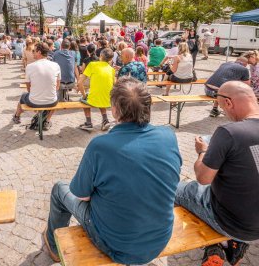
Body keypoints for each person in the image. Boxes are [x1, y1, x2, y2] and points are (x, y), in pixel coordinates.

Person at [44, 77, 182, 264]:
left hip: (116, 244)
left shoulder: (100, 146)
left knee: (59, 189)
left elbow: (81, 195)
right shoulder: (168, 136)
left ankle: (54, 246)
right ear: (148, 107)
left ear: (115, 110)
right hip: (159, 238)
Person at [175, 81, 259, 266]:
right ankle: (228, 244)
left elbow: (203, 178)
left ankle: (216, 242)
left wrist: (202, 152)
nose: (224, 113)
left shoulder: (229, 132)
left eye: (221, 107)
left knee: (174, 188)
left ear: (228, 102)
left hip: (235, 224)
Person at [12, 43, 61, 130]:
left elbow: (28, 87)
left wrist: (36, 94)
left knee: (23, 96)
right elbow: (58, 86)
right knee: (57, 96)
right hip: (52, 101)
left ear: (39, 52)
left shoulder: (30, 66)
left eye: (34, 51)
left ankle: (17, 116)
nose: (32, 52)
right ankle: (47, 121)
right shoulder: (56, 65)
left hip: (34, 101)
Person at [77, 48, 115, 131]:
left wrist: (84, 95)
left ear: (100, 55)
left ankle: (88, 123)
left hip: (94, 99)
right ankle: (105, 120)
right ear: (110, 59)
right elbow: (115, 84)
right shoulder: (112, 69)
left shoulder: (92, 65)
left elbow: (79, 82)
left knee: (83, 99)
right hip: (107, 100)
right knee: (100, 96)